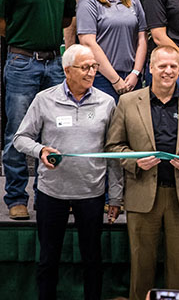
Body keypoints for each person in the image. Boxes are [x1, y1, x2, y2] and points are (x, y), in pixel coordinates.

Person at [105, 45, 179, 300]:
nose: (168, 71)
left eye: (173, 66)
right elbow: (113, 146)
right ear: (150, 68)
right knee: (141, 271)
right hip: (142, 197)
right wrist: (136, 162)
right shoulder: (127, 102)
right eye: (162, 66)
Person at [13, 44, 122, 300]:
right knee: (48, 260)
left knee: (92, 260)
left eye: (94, 66)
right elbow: (20, 138)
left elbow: (114, 155)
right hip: (52, 193)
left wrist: (115, 197)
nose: (91, 72)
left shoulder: (107, 103)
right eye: (84, 67)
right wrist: (40, 150)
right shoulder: (45, 99)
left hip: (91, 194)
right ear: (67, 70)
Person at [0, 0, 76, 220]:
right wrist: (26, 40)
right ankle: (16, 197)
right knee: (18, 132)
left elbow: (66, 21)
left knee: (60, 131)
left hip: (54, 63)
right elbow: (3, 22)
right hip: (21, 63)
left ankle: (54, 195)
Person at [76, 0, 148, 101]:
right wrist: (115, 79)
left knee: (132, 125)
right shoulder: (88, 1)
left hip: (131, 78)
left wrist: (136, 72)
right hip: (101, 78)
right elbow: (88, 43)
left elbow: (142, 38)